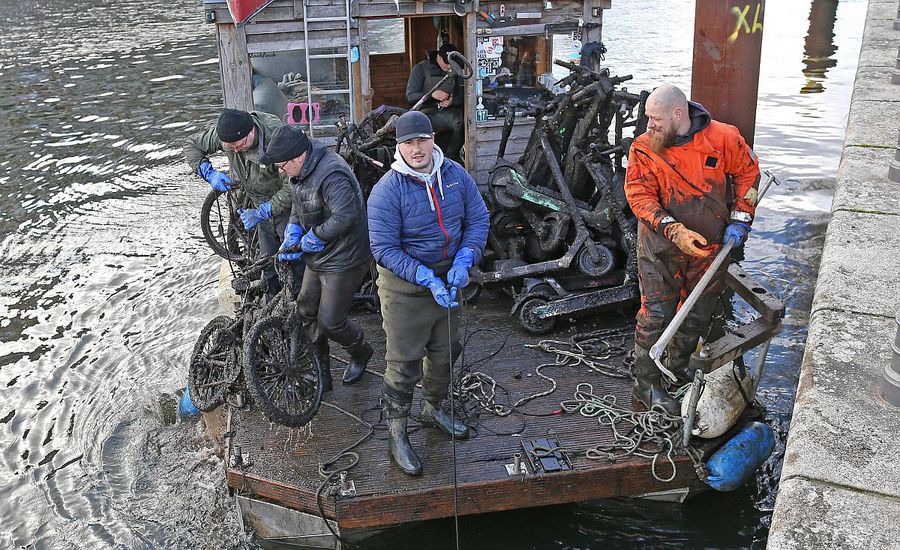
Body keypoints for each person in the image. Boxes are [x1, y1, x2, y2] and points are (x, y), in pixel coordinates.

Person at [624, 84, 760, 415]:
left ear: (679, 114)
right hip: (660, 248)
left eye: (655, 119)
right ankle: (647, 385)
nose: (649, 126)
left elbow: (747, 173)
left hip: (710, 246)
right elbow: (639, 196)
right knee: (656, 315)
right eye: (647, 118)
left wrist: (741, 219)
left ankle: (677, 362)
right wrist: (675, 230)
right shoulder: (643, 148)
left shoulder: (724, 138)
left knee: (699, 310)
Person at [367, 111, 490, 476]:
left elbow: (478, 219)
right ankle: (397, 433)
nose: (416, 149)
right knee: (403, 363)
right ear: (398, 148)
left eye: (421, 139)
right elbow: (384, 249)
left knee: (446, 351)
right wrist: (424, 276)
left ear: (432, 138)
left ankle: (433, 407)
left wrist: (465, 258)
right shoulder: (386, 191)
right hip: (405, 288)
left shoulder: (456, 175)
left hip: (451, 280)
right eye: (408, 143)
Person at [261, 124, 373, 391]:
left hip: (345, 257)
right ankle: (322, 371)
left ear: (298, 156)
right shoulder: (298, 171)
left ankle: (361, 351)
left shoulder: (332, 173)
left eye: (281, 165)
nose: (280, 171)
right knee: (306, 310)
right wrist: (294, 228)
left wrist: (315, 237)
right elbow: (301, 204)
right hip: (319, 255)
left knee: (331, 321)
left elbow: (346, 216)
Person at [184, 108, 300, 294]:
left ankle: (298, 300)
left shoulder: (275, 137)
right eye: (231, 148)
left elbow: (293, 185)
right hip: (255, 200)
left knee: (292, 258)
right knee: (267, 260)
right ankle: (272, 295)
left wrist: (265, 211)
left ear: (252, 130)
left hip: (284, 203)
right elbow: (192, 145)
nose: (237, 151)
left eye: (240, 145)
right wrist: (208, 172)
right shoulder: (228, 137)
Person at [405, 43, 465, 163]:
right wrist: (431, 94)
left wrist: (453, 101)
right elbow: (410, 96)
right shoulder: (420, 69)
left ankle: (450, 157)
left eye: (451, 63)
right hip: (426, 111)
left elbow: (464, 95)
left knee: (462, 121)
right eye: (446, 62)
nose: (448, 66)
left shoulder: (456, 70)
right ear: (438, 56)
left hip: (448, 111)